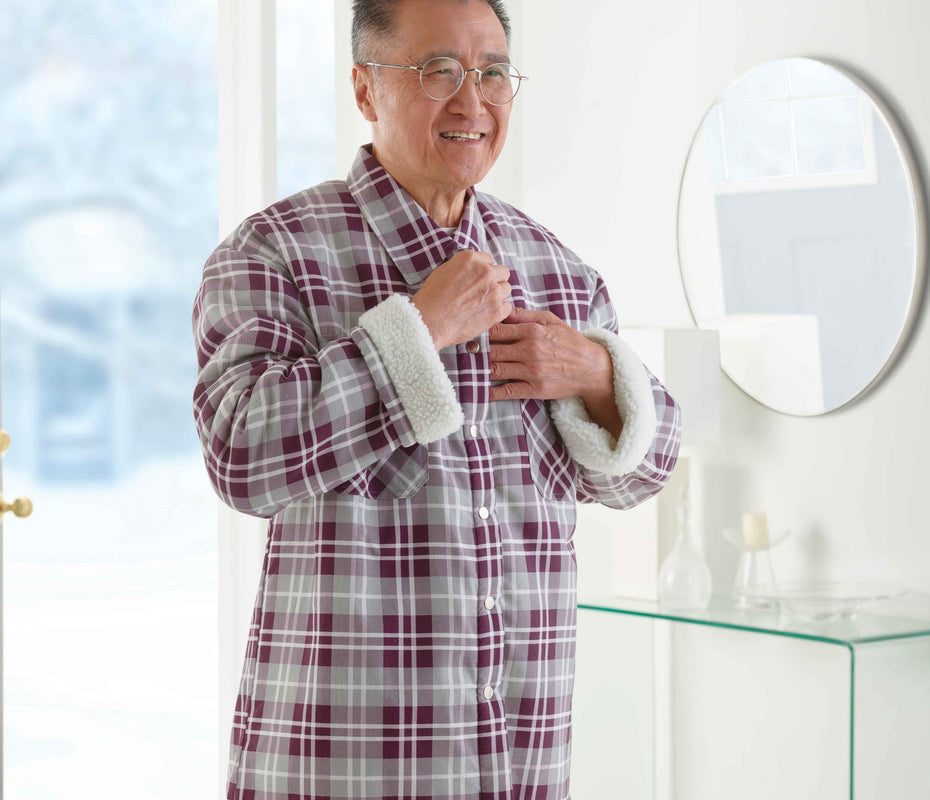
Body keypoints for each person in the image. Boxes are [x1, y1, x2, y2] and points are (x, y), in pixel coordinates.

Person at [191, 0, 681, 797]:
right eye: (439, 71)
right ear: (364, 87)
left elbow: (638, 478)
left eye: (492, 74)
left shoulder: (557, 270)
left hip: (522, 751)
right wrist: (418, 331)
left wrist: (595, 374)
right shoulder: (274, 252)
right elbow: (242, 458)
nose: (472, 102)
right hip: (343, 752)